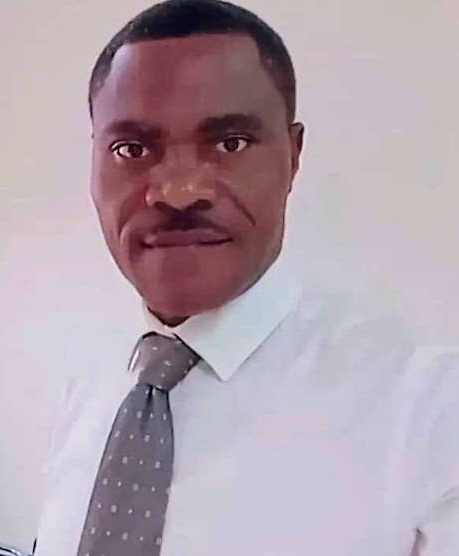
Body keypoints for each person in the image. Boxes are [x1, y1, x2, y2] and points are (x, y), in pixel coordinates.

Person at [35, 1, 459, 555]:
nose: (178, 192)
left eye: (230, 143)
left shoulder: (430, 410)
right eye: (131, 149)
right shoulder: (88, 389)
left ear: (293, 156)